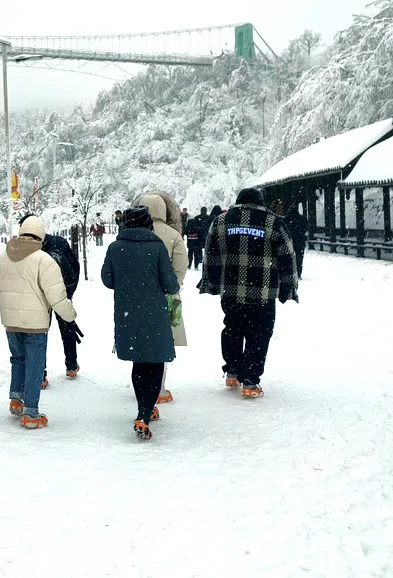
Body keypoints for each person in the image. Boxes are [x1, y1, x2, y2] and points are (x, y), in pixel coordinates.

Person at [200, 187, 299, 399]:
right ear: (261, 202)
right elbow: (287, 257)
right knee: (260, 334)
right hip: (263, 291)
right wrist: (289, 287)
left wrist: (211, 282)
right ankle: (251, 380)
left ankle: (233, 371)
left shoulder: (221, 221)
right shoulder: (273, 222)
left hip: (231, 290)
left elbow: (210, 253)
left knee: (232, 328)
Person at [0, 214, 76, 429]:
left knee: (18, 359)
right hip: (35, 323)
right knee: (35, 364)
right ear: (41, 236)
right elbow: (57, 297)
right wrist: (70, 316)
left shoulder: (2, 256)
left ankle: (16, 398)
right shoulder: (44, 260)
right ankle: (31, 412)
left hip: (11, 321)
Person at [101, 206, 178, 440]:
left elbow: (107, 279)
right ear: (149, 224)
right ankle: (144, 414)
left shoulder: (115, 247)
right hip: (154, 313)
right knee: (154, 363)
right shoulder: (157, 247)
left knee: (138, 362)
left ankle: (143, 410)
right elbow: (171, 284)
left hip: (127, 313)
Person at [134, 192, 187, 404]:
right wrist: (173, 287)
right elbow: (181, 266)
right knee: (163, 341)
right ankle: (159, 387)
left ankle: (140, 384)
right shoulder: (173, 234)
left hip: (139, 296)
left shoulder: (134, 232)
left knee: (140, 339)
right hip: (167, 296)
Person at [22, 212, 84, 387]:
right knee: (67, 328)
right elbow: (74, 268)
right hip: (61, 293)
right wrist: (68, 294)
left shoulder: (26, 249)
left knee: (38, 335)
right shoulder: (59, 243)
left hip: (38, 299)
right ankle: (71, 365)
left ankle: (40, 374)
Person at [277, 201, 309, 279]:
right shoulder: (302, 219)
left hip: (290, 241)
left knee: (289, 258)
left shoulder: (286, 219)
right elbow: (306, 228)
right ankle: (299, 273)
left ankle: (290, 272)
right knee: (299, 258)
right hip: (300, 241)